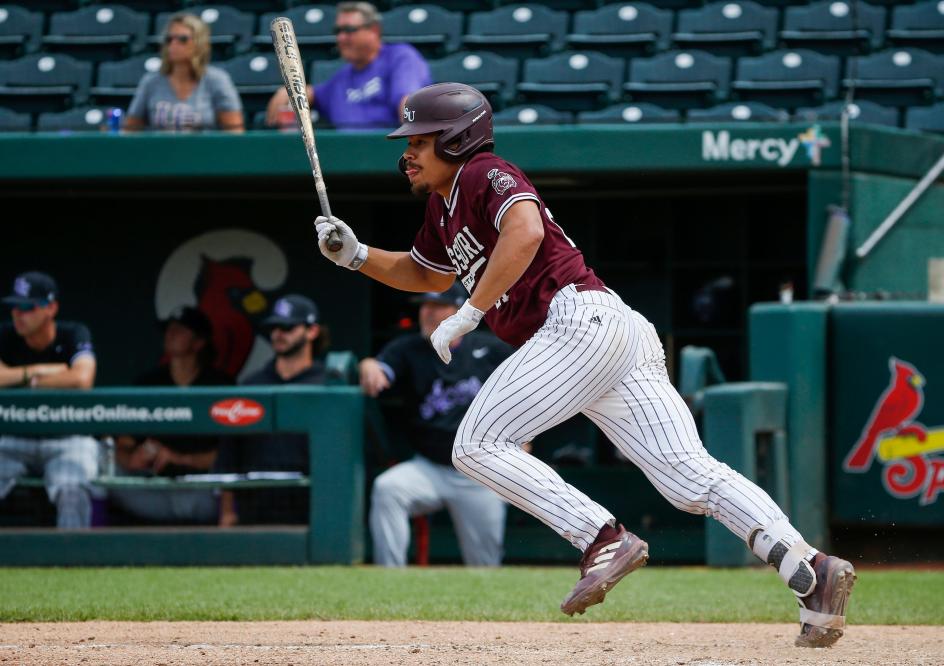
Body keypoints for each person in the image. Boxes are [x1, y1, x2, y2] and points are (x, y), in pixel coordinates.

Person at [312, 82, 857, 648]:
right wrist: (356, 256)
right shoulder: (441, 208)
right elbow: (426, 274)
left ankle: (600, 536)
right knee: (688, 478)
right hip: (609, 333)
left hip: (575, 322)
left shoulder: (482, 172)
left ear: (456, 140)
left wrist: (471, 312)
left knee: (476, 444)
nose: (407, 153)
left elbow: (523, 230)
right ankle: (810, 568)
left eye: (420, 142)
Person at [362, 283, 512, 567]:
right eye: (425, 307)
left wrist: (523, 438)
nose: (428, 314)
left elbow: (531, 391)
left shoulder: (488, 348)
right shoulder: (408, 348)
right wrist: (369, 364)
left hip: (480, 470)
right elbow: (381, 370)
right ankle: (388, 580)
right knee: (388, 488)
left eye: (437, 307)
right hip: (429, 468)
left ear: (458, 312)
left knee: (486, 566)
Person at [109, 306, 233, 524]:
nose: (170, 334)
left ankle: (228, 531)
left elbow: (231, 454)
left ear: (199, 342)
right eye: (168, 329)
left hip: (201, 492)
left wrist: (178, 458)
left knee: (229, 473)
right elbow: (124, 443)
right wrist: (132, 458)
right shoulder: (148, 383)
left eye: (180, 330)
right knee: (98, 457)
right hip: (151, 490)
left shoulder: (219, 385)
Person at [216, 295, 327, 527]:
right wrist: (227, 512)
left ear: (312, 331)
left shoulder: (327, 383)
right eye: (274, 327)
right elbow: (229, 455)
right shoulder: (251, 384)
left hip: (309, 499)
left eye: (287, 327)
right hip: (256, 498)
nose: (278, 333)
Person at [0, 271, 99, 528]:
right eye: (13, 308)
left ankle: (73, 563)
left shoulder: (73, 333)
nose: (17, 315)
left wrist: (23, 382)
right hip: (12, 439)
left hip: (66, 439)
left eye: (26, 307)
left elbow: (82, 379)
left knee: (72, 490)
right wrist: (36, 371)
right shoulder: (5, 335)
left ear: (51, 308)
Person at [264, 1, 431, 130]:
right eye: (338, 31)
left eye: (349, 30)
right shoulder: (341, 78)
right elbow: (313, 94)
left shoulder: (400, 57)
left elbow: (409, 105)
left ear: (374, 30)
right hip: (345, 166)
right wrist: (289, 91)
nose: (341, 38)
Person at [124, 13, 244, 133]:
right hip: (159, 150)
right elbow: (130, 130)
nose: (173, 44)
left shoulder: (217, 80)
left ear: (199, 43)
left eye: (182, 39)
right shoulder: (150, 81)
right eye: (169, 39)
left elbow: (234, 131)